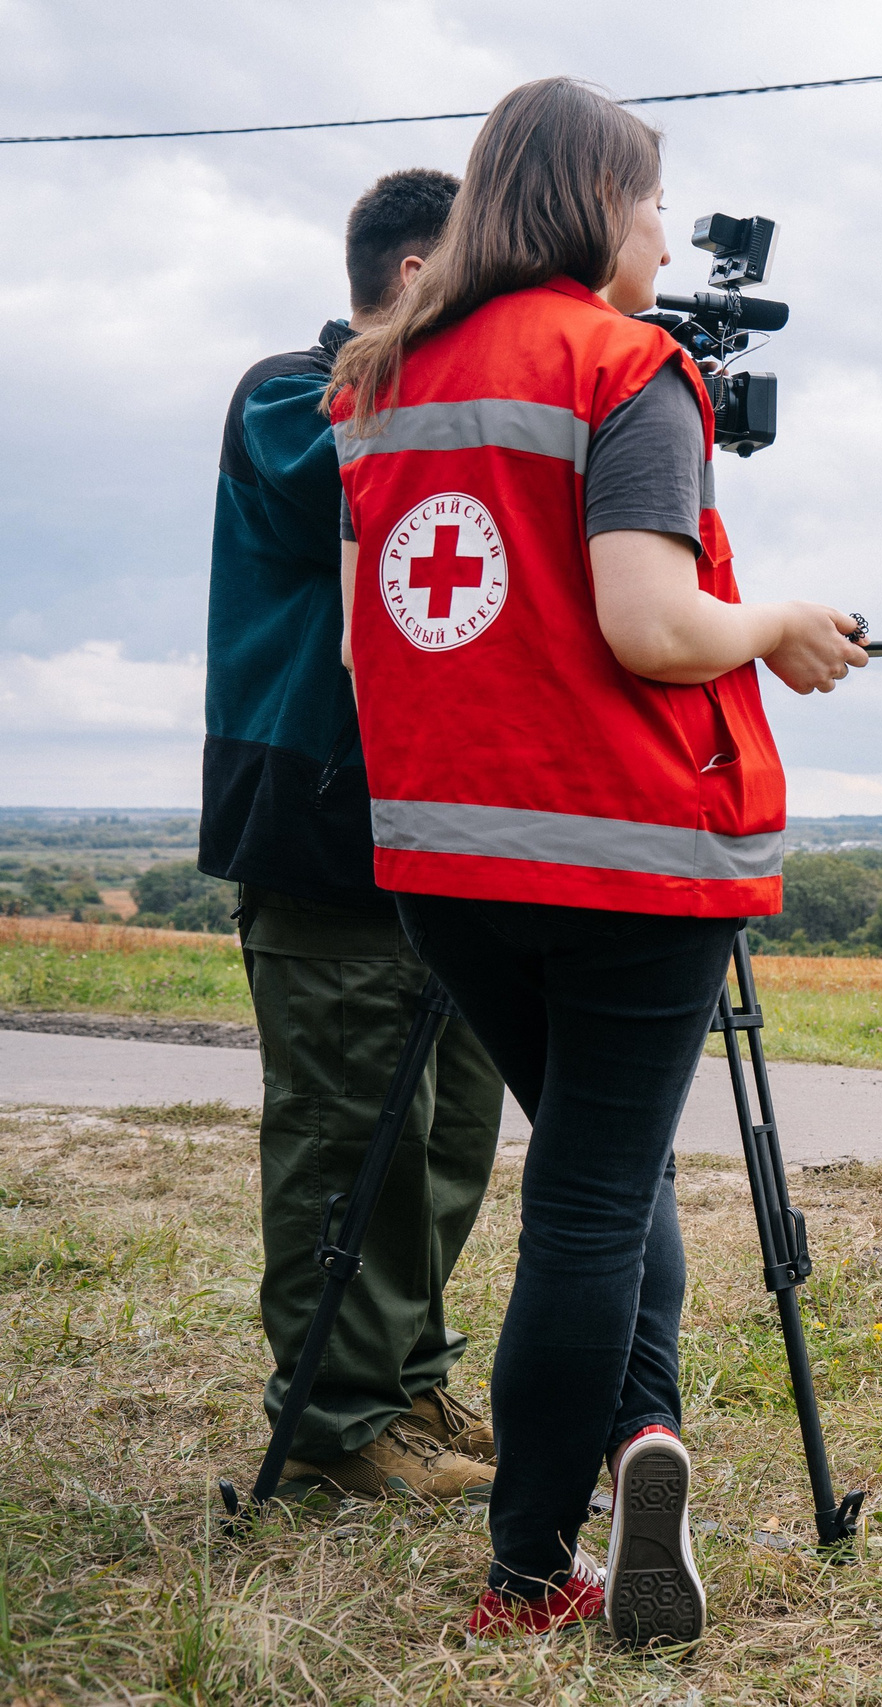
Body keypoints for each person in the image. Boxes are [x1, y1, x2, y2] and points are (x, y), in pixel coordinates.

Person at [329, 77, 865, 1645]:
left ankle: (643, 1437)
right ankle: (528, 1566)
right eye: (647, 202)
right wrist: (777, 622)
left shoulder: (378, 382)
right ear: (591, 207)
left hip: (446, 859)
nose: (656, 232)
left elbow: (376, 652)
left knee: (591, 1158)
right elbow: (650, 622)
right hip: (628, 860)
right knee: (585, 1196)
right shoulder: (626, 371)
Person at [200, 167, 508, 1504]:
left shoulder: (452, 402)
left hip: (446, 832)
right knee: (346, 1137)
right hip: (323, 831)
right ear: (409, 277)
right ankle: (332, 1420)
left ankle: (405, 1375)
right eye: (486, 274)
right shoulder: (287, 397)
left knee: (445, 1133)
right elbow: (372, 459)